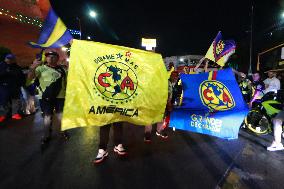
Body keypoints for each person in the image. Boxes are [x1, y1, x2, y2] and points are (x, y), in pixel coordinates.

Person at [28, 51, 68, 147]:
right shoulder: (40, 69)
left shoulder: (63, 70)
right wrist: (33, 68)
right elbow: (30, 78)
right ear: (46, 58)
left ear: (57, 58)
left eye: (53, 56)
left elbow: (66, 83)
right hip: (45, 97)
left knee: (60, 115)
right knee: (47, 117)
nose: (50, 58)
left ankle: (63, 131)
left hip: (60, 96)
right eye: (48, 57)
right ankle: (46, 135)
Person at [0, 53, 25, 122]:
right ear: (5, 58)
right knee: (4, 101)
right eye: (8, 58)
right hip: (4, 86)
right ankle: (2, 115)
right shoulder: (1, 65)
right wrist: (7, 72)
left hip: (15, 87)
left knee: (16, 100)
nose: (9, 60)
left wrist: (20, 84)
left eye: (11, 59)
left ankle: (15, 114)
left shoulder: (17, 66)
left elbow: (21, 76)